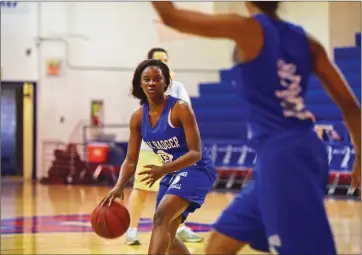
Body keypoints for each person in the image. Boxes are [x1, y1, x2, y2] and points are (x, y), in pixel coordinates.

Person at [152, 1, 361, 255]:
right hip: (296, 151)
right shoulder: (308, 42)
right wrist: (359, 153)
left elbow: (171, 16)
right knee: (219, 245)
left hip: (284, 158)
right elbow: (351, 106)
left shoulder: (246, 28)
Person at [102, 59, 217, 255]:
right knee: (168, 236)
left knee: (161, 217)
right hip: (172, 173)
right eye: (146, 79)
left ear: (166, 83)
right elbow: (130, 160)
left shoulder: (180, 108)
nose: (151, 83)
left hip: (197, 168)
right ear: (140, 84)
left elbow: (195, 153)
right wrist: (119, 185)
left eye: (157, 79)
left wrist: (163, 169)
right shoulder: (138, 117)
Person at [127, 47, 204, 245]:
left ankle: (179, 227)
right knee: (141, 188)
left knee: (177, 191)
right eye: (160, 59)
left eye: (166, 59)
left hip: (174, 147)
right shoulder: (145, 87)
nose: (165, 61)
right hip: (150, 146)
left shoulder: (176, 86)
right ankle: (132, 230)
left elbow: (185, 112)